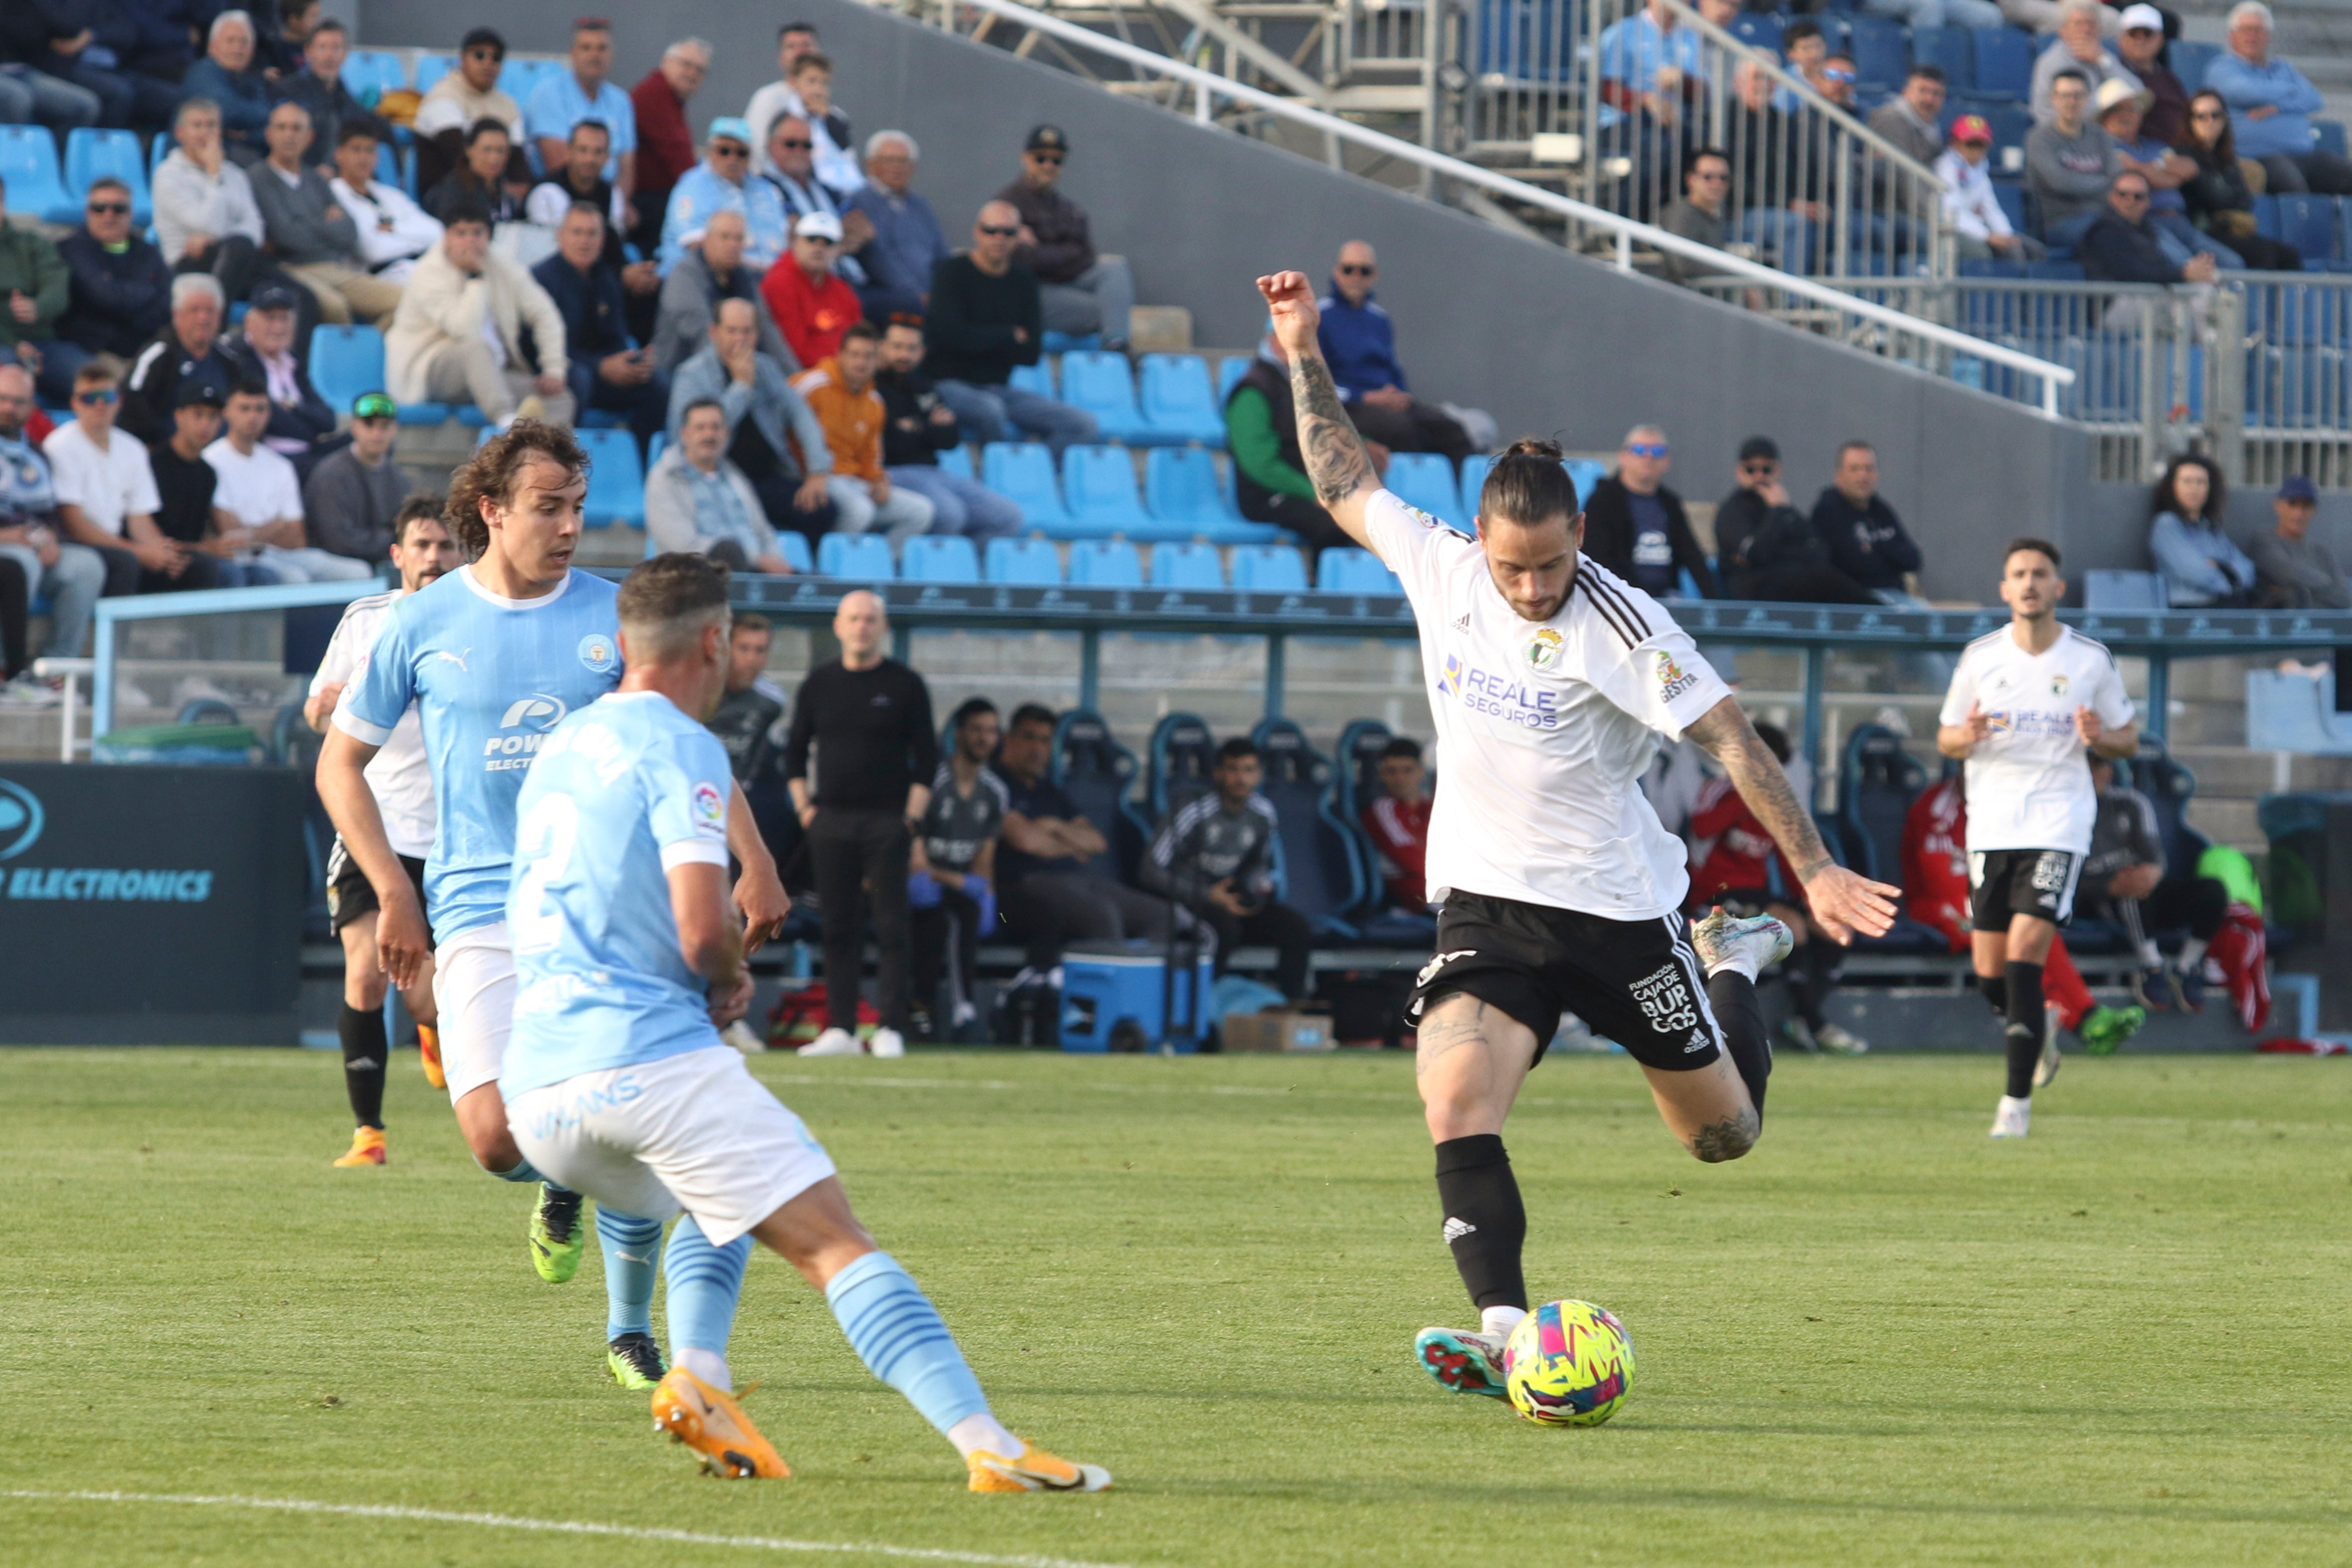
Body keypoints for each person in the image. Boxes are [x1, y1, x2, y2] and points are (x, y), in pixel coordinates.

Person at [1253, 267, 1896, 1403]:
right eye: (1514, 566)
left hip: (1619, 913)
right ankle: (1505, 1332)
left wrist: (1815, 866)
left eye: (1551, 562)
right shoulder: (1444, 570)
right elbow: (1342, 472)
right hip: (1491, 902)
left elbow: (1734, 743)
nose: (1533, 585)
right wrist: (1302, 344)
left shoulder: (1625, 625)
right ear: (1483, 544)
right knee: (1453, 1100)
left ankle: (1735, 956)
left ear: (1579, 534)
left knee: (1720, 1139)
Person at [498, 554, 1108, 1491]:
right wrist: (729, 973)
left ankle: (700, 1377)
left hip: (537, 1090)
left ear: (620, 645)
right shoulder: (686, 744)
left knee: (720, 1195)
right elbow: (706, 929)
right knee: (833, 1241)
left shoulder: (558, 748)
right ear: (714, 644)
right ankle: (990, 1447)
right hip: (643, 1060)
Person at [319, 423, 789, 1388]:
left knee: (628, 1117)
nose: (571, 526)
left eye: (577, 507)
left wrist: (754, 858)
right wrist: (396, 890)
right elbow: (341, 765)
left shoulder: (613, 616)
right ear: (490, 511)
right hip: (481, 901)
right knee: (496, 1142)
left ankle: (629, 1328)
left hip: (613, 905)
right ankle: (561, 1190)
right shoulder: (419, 622)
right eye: (549, 508)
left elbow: (676, 740)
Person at [1937, 539, 2137, 1138]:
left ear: (2058, 588)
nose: (2028, 583)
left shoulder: (2090, 660)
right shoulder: (1980, 658)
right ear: (2004, 589)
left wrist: (2101, 736)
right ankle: (2040, 1025)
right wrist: (1964, 735)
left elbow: (2126, 738)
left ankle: (2014, 1107)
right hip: (1992, 824)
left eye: (2039, 574)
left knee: (2026, 955)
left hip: (2059, 822)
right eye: (2018, 574)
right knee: (1990, 972)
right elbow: (1945, 737)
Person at [304, 499, 456, 1166]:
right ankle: (369, 1134)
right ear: (398, 555)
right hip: (375, 825)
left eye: (447, 545)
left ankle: (431, 1026)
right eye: (422, 543)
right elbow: (316, 712)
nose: (434, 556)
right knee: (365, 974)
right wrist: (328, 704)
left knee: (427, 992)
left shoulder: (477, 621)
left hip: (453, 837)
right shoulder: (366, 620)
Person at [784, 589, 935, 1060]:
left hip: (887, 821)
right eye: (853, 618)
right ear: (838, 625)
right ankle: (841, 1028)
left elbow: (927, 760)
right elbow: (793, 754)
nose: (862, 627)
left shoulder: (906, 684)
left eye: (871, 619)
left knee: (892, 927)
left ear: (883, 627)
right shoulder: (818, 684)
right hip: (830, 820)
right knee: (837, 928)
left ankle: (890, 1026)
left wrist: (910, 821)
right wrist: (807, 811)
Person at [1902, 766, 2146, 1055]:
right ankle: (2078, 1018)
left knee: (2033, 925)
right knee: (2017, 930)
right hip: (1938, 907)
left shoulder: (2010, 800)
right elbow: (1941, 881)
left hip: (1984, 899)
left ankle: (2080, 1017)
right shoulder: (1938, 809)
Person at [1685, 724, 1868, 1055]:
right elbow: (1701, 827)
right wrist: (1746, 791)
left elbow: (1789, 856)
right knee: (1791, 927)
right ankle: (1814, 1023)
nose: (1773, 773)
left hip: (1758, 895)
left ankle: (1804, 1013)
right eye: (1767, 764)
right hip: (1715, 895)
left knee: (1835, 929)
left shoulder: (1774, 803)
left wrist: (1811, 896)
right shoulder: (1721, 791)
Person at [993, 702, 1175, 969]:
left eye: (1045, 740)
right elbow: (1027, 841)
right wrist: (1071, 844)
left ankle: (1147, 995)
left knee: (1162, 916)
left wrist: (1052, 826)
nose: (1037, 749)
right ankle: (1104, 1003)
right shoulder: (996, 784)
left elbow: (1097, 843)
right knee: (1101, 915)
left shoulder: (1050, 792)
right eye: (1029, 737)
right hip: (1024, 887)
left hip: (1081, 879)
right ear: (1009, 739)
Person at [1142, 736, 1314, 1000]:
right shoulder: (1192, 810)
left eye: (1249, 770)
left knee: (1296, 928)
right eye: (1233, 769)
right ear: (1218, 773)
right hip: (1186, 899)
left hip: (1229, 897)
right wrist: (1208, 895)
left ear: (1259, 775)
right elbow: (1149, 870)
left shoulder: (1263, 813)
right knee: (1224, 930)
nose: (1241, 779)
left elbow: (1258, 863)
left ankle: (1288, 1013)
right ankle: (1203, 1015)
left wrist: (1252, 888)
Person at [926, 202, 1097, 455]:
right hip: (948, 383)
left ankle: (1033, 479)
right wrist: (1008, 335)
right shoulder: (952, 272)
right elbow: (946, 337)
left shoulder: (1024, 282)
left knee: (1082, 425)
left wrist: (974, 336)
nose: (999, 239)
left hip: (998, 387)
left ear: (1018, 237)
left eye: (1008, 233)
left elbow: (1030, 353)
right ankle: (999, 481)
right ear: (977, 232)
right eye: (991, 230)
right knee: (990, 410)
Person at [41, 358, 222, 596]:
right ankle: (116, 635)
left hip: (116, 543)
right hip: (75, 544)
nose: (99, 405)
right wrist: (140, 552)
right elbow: (75, 525)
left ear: (119, 402)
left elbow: (140, 519)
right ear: (75, 404)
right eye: (89, 399)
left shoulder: (132, 448)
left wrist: (163, 552)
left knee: (197, 566)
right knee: (126, 563)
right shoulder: (60, 445)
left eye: (107, 398)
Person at [387, 206, 574, 431]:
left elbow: (545, 313)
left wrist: (554, 369)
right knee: (476, 349)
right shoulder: (427, 272)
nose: (469, 242)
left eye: (477, 233)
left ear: (489, 235)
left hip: (492, 375)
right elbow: (466, 330)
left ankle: (549, 456)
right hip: (430, 369)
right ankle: (508, 427)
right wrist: (475, 278)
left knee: (561, 398)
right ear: (446, 236)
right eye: (460, 233)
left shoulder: (501, 262)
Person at [668, 298, 835, 544]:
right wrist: (741, 387)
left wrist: (818, 470)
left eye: (747, 331)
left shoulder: (766, 367)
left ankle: (803, 580)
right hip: (717, 479)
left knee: (822, 509)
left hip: (766, 476)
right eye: (732, 331)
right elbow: (684, 436)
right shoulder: (691, 375)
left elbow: (801, 415)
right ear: (714, 332)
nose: (740, 339)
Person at [2081, 750, 2231, 1013]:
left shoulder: (2131, 803)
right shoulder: (2060, 811)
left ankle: (2187, 966)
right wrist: (2108, 886)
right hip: (2099, 900)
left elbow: (2155, 858)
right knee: (2131, 893)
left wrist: (2149, 874)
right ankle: (2151, 966)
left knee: (2213, 890)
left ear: (2109, 771)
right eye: (2088, 767)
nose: (2094, 774)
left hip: (2147, 890)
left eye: (2100, 766)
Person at [1314, 242, 1476, 462]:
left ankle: (1469, 495)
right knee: (1402, 429)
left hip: (1388, 401)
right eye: (1348, 269)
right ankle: (1413, 492)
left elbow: (1393, 368)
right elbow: (1317, 379)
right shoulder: (1320, 316)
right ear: (1337, 272)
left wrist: (1399, 395)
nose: (1356, 276)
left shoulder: (1380, 319)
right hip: (1349, 405)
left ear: (1374, 276)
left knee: (1450, 429)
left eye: (1365, 271)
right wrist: (1365, 397)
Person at [0, 366, 113, 679]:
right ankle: (7, 668)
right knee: (22, 564)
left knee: (86, 566)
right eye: (3, 399)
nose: (10, 408)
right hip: (10, 551)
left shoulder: (37, 454)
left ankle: (56, 670)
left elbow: (50, 514)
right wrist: (8, 537)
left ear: (32, 405)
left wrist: (48, 536)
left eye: (19, 401)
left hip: (32, 544)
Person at [1225, 321, 1373, 554]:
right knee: (1334, 526)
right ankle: (1325, 585)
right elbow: (1260, 464)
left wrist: (1362, 446)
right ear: (1270, 340)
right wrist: (1310, 492)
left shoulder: (1304, 385)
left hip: (1313, 487)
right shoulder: (1252, 392)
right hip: (1268, 494)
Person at [253, 107, 406, 329]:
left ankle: (366, 356)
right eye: (282, 127)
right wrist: (325, 224)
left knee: (405, 301)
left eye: (297, 128)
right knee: (334, 306)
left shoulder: (315, 179)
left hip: (335, 268)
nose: (289, 135)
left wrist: (303, 222)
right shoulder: (258, 178)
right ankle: (342, 360)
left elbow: (350, 232)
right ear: (269, 134)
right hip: (290, 269)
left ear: (310, 137)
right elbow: (287, 236)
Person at [204, 381, 371, 582]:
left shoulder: (280, 465)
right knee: (295, 578)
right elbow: (231, 536)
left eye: (260, 409)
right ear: (227, 412)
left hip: (285, 554)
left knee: (359, 572)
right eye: (245, 408)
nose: (252, 416)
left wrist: (252, 535)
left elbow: (297, 537)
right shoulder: (211, 461)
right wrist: (277, 526)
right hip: (243, 559)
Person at [876, 316, 1021, 543]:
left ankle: (965, 573)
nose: (904, 355)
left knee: (1007, 517)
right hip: (894, 472)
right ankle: (922, 573)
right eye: (897, 347)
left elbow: (950, 439)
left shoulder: (924, 387)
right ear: (881, 347)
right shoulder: (872, 389)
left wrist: (914, 429)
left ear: (922, 352)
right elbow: (893, 444)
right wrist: (928, 429)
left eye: (912, 348)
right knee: (951, 514)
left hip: (934, 471)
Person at [533, 203, 667, 444]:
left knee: (657, 384)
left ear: (603, 239)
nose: (585, 241)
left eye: (592, 233)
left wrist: (632, 362)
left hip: (600, 373)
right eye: (577, 232)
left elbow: (616, 338)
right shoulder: (541, 279)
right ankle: (567, 461)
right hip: (559, 371)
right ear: (560, 236)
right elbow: (536, 348)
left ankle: (640, 462)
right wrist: (600, 366)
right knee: (580, 378)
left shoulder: (606, 279)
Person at [912, 697, 1006, 1040]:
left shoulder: (995, 792)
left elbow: (985, 862)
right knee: (942, 917)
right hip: (917, 888)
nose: (985, 738)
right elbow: (916, 861)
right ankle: (934, 1007)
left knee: (964, 911)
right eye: (977, 730)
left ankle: (954, 1009)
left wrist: (985, 891)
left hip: (953, 889)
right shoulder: (933, 783)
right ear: (958, 733)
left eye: (992, 731)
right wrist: (961, 882)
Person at [793, 321, 936, 542]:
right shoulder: (812, 385)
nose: (861, 362)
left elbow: (872, 454)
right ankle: (829, 567)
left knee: (921, 512)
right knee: (860, 511)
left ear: (878, 360)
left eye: (869, 356)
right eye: (855, 354)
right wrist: (803, 470)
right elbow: (779, 424)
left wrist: (878, 479)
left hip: (855, 481)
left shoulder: (875, 402)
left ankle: (879, 568)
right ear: (840, 354)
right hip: (818, 477)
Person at [995, 126, 1133, 351]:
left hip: (1063, 284)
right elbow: (1022, 262)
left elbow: (1086, 254)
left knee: (1115, 268)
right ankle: (1116, 350)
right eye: (1041, 158)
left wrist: (1042, 251)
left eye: (1056, 161)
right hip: (1030, 293)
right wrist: (1065, 253)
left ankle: (1116, 343)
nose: (1048, 166)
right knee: (1107, 311)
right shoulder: (1008, 204)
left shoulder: (1066, 206)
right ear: (1026, 159)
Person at [528, 124, 660, 341]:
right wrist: (621, 276)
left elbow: (615, 248)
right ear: (569, 151)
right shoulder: (547, 193)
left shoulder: (611, 193)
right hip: (558, 284)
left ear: (608, 157)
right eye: (583, 150)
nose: (590, 159)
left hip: (601, 279)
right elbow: (557, 259)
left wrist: (633, 274)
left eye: (598, 152)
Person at [2206, 0, 2352, 196]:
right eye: (2246, 29)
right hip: (2257, 156)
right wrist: (2291, 92)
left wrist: (2280, 107)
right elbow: (2247, 92)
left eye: (2259, 30)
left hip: (2303, 154)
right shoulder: (2222, 68)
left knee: (2344, 174)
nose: (2252, 36)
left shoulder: (2282, 68)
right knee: (2293, 188)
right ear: (2232, 36)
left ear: (2268, 36)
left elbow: (2315, 99)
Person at [1713, 436, 1879, 604]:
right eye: (1751, 470)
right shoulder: (1732, 511)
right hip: (1752, 592)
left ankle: (1881, 613)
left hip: (1790, 588)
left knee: (1825, 576)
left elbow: (1819, 551)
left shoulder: (1787, 511)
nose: (1759, 476)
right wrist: (1777, 512)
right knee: (1820, 579)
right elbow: (1758, 553)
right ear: (1740, 472)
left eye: (1766, 470)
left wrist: (1778, 552)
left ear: (1778, 471)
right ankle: (1882, 613)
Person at [645, 397, 795, 574]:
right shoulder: (665, 478)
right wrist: (756, 559)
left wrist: (776, 563)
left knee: (820, 586)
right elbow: (682, 546)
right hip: (697, 579)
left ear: (726, 433)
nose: (709, 435)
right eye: (700, 428)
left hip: (757, 575)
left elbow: (764, 532)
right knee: (728, 551)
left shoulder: (735, 476)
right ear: (684, 434)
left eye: (715, 427)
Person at [2101, 81, 2239, 268]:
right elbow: (2158, 180)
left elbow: (2188, 169)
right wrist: (2159, 171)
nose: (2127, 115)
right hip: (2146, 222)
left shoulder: (2154, 145)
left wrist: (2138, 168)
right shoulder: (2106, 148)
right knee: (2186, 267)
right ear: (2105, 116)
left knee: (2232, 263)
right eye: (2118, 109)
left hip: (2180, 221)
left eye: (2133, 108)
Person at [155, 98, 279, 303]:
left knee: (302, 296)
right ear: (180, 134)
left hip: (239, 262)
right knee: (238, 246)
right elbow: (209, 225)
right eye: (197, 125)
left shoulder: (235, 174)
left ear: (220, 131)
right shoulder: (168, 175)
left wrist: (221, 238)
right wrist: (214, 176)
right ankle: (216, 326)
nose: (206, 133)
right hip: (189, 264)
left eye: (211, 125)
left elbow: (255, 228)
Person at [1581, 425, 1717, 599]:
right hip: (1617, 598)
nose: (1649, 457)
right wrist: (1643, 598)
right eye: (1639, 450)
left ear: (1667, 460)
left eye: (1657, 451)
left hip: (1666, 600)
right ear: (1623, 457)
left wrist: (1715, 602)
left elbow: (1693, 556)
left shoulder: (1671, 503)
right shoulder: (1601, 502)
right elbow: (1598, 560)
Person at [649, 210, 793, 375]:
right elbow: (702, 334)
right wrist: (740, 378)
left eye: (739, 239)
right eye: (725, 237)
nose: (733, 245)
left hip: (737, 371)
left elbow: (766, 331)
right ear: (707, 240)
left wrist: (794, 379)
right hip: (679, 375)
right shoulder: (684, 276)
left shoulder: (743, 277)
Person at [2176, 88, 2305, 271]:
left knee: (2289, 254)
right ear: (2190, 121)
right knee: (2262, 254)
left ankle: (2289, 301)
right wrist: (2226, 197)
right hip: (2202, 230)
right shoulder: (2184, 155)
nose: (2209, 122)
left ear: (2225, 120)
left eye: (2216, 115)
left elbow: (2246, 200)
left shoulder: (2226, 157)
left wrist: (2224, 197)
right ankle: (2253, 301)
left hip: (2230, 230)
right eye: (2201, 116)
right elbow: (2211, 199)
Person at [220, 282, 338, 475]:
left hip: (307, 451)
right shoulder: (238, 358)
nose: (278, 327)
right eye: (271, 318)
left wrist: (293, 408)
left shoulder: (293, 362)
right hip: (269, 454)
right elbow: (271, 419)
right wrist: (309, 428)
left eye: (284, 319)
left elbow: (328, 419)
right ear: (249, 323)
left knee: (365, 441)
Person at [526, 18, 637, 218]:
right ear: (573, 53)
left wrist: (617, 204)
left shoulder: (622, 101)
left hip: (606, 200)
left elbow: (627, 168)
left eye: (602, 48)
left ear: (611, 55)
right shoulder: (549, 93)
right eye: (586, 48)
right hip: (559, 202)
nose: (595, 55)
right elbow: (559, 164)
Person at [58, 179, 174, 368]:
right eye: (99, 208)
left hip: (144, 347)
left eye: (119, 209)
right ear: (87, 213)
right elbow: (105, 296)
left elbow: (166, 302)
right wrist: (147, 291)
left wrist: (121, 295)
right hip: (94, 351)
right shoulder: (72, 250)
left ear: (131, 214)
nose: (109, 215)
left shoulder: (148, 252)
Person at [2079, 169, 2221, 318]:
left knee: (2202, 290)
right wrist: (2183, 273)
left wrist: (2195, 271)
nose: (2130, 201)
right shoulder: (2104, 230)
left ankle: (2214, 340)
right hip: (2114, 307)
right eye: (2123, 194)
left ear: (2148, 202)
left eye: (2138, 197)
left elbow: (2160, 264)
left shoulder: (2148, 230)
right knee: (2191, 298)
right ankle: (2213, 340)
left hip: (2146, 298)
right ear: (2112, 197)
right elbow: (2132, 272)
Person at [119, 274, 240, 446]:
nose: (203, 318)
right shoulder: (158, 355)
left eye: (210, 311)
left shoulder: (230, 361)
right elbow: (132, 402)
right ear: (177, 314)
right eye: (195, 310)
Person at [657, 118, 788, 275]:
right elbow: (698, 247)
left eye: (741, 153)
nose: (733, 159)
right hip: (704, 278)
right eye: (724, 151)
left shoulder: (765, 189)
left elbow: (788, 238)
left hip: (767, 279)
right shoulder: (694, 185)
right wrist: (765, 274)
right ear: (710, 151)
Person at [848, 132, 950, 324]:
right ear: (871, 164)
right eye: (889, 160)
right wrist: (918, 295)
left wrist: (946, 291)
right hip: (889, 296)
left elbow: (941, 254)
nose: (897, 167)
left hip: (928, 295)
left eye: (904, 161)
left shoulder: (919, 204)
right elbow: (879, 260)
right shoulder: (860, 202)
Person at [758, 114, 873, 284]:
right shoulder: (764, 186)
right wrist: (836, 239)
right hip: (800, 281)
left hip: (844, 277)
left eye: (807, 145)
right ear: (771, 146)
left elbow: (863, 229)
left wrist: (823, 245)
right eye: (791, 144)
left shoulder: (823, 188)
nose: (799, 151)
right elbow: (793, 237)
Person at [329, 120, 443, 285]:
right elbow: (373, 250)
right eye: (356, 149)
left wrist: (395, 228)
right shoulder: (333, 195)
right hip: (381, 277)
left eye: (370, 150)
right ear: (339, 154)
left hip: (423, 265)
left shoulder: (391, 194)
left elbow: (438, 232)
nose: (364, 158)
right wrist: (413, 237)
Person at [1811, 441, 1925, 605]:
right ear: (1839, 475)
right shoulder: (1827, 511)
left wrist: (1873, 548)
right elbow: (1856, 566)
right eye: (1855, 469)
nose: (1863, 476)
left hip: (1896, 596)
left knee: (1931, 619)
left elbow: (1913, 560)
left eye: (1869, 469)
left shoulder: (1881, 510)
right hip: (1854, 603)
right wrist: (1885, 548)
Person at [413, 28, 526, 194]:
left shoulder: (508, 105)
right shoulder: (443, 96)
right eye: (479, 55)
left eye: (496, 58)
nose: (488, 63)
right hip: (444, 195)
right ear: (462, 59)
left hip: (492, 194)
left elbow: (517, 162)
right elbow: (459, 159)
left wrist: (516, 193)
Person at [303, 391, 410, 563]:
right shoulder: (331, 474)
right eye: (369, 425)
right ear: (354, 427)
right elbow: (338, 542)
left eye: (384, 426)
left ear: (395, 429)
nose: (376, 434)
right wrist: (390, 539)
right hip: (334, 563)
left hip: (384, 561)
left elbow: (406, 533)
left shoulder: (399, 479)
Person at [630, 38, 710, 250]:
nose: (692, 73)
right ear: (666, 62)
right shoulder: (655, 95)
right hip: (649, 204)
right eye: (686, 65)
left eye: (699, 70)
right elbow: (679, 158)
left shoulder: (668, 96)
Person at [2027, 70, 2122, 249]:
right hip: (2062, 223)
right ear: (2052, 99)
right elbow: (2061, 183)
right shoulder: (2039, 139)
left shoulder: (2099, 135)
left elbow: (2117, 177)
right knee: (2114, 237)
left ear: (2088, 98)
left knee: (2154, 233)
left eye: (2077, 96)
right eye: (2064, 96)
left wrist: (2103, 184)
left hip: (2106, 217)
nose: (2071, 102)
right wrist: (2105, 184)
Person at [0, 177, 74, 404]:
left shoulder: (33, 244)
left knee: (94, 382)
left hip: (42, 344)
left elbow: (57, 285)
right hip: (7, 346)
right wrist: (15, 345)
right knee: (11, 380)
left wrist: (38, 307)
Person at [2146, 454, 2253, 607]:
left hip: (2225, 608)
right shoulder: (2167, 525)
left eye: (2201, 482)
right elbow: (2196, 573)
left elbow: (2247, 568)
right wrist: (2230, 581)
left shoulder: (2211, 529)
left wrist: (2222, 568)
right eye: (2187, 481)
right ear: (2173, 486)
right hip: (2186, 612)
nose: (2194, 488)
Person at [1937, 114, 2045, 263]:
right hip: (1952, 230)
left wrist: (2006, 235)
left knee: (2032, 250)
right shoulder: (1946, 168)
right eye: (1970, 144)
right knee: (1983, 254)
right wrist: (1986, 236)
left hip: (1976, 229)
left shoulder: (1979, 170)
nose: (1976, 152)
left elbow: (1991, 208)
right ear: (1955, 144)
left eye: (1981, 145)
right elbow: (1951, 213)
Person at [765, 212, 866, 370]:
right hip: (805, 375)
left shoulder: (841, 289)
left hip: (846, 374)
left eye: (828, 242)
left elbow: (861, 338)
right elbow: (795, 349)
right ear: (795, 242)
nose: (819, 248)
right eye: (811, 239)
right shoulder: (779, 283)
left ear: (838, 249)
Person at [180, 11, 273, 165]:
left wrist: (248, 135)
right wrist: (257, 126)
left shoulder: (250, 80)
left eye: (244, 42)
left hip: (236, 156)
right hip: (193, 164)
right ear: (212, 46)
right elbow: (229, 112)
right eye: (230, 41)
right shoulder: (202, 73)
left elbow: (270, 120)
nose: (238, 48)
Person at [2032, 0, 2142, 125]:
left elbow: (2138, 93)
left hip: (2108, 136)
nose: (2085, 30)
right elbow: (2043, 114)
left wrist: (2103, 61)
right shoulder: (2051, 62)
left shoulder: (2102, 55)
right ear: (2063, 30)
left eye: (2091, 24)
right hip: (2069, 136)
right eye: (2078, 24)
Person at [2250, 475, 2348, 609]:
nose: (2299, 513)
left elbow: (2344, 597)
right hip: (2282, 626)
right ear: (2278, 505)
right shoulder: (2264, 539)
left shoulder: (2322, 551)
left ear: (2314, 510)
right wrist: (2328, 586)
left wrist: (2305, 590)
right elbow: (2284, 571)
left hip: (2325, 627)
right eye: (2292, 504)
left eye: (2306, 506)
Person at [1361, 736, 1432, 910]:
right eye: (1392, 772)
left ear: (1421, 773)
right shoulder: (1382, 810)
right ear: (1383, 775)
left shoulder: (1433, 808)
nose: (1400, 779)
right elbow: (1413, 862)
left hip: (1446, 889)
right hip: (1414, 896)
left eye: (1408, 771)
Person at [281, 18, 363, 168]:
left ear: (345, 55)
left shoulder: (348, 100)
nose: (329, 56)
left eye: (336, 48)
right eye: (323, 48)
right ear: (308, 52)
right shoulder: (288, 91)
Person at [745, 21, 824, 174]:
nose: (800, 53)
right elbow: (755, 152)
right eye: (792, 47)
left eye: (807, 45)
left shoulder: (836, 116)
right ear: (781, 59)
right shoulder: (768, 98)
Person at [423, 117, 526, 228]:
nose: (494, 159)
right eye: (487, 150)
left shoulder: (506, 196)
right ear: (469, 150)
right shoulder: (451, 193)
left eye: (500, 150)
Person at [784, 52, 861, 196]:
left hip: (845, 187)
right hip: (806, 186)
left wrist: (827, 118)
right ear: (794, 83)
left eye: (824, 83)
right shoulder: (787, 116)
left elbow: (846, 151)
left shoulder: (836, 117)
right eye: (812, 81)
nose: (819, 90)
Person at [2116, 4, 2188, 145]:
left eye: (2148, 34)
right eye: (2134, 34)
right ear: (2121, 39)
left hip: (2181, 149)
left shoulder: (2170, 79)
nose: (2141, 40)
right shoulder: (2113, 72)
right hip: (2141, 153)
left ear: (2160, 39)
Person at [1658, 147, 1730, 285]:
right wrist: (1738, 272)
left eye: (1723, 178)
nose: (1717, 183)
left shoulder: (1712, 219)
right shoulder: (1682, 214)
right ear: (1691, 180)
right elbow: (1683, 266)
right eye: (1708, 177)